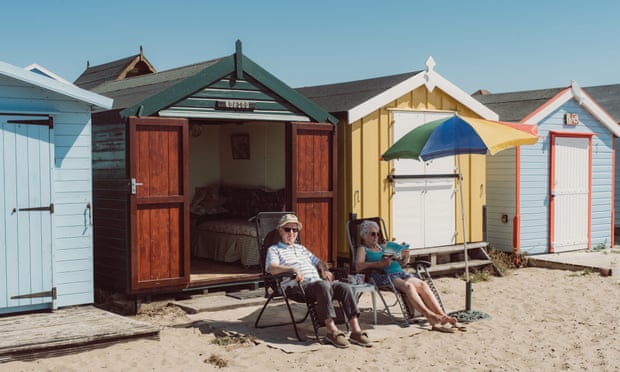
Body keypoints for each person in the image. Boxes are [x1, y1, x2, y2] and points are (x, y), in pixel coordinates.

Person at [266, 214, 372, 348]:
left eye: (295, 230)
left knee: (345, 287)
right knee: (323, 286)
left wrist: (323, 270)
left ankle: (356, 331)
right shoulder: (274, 250)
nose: (292, 233)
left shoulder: (302, 249)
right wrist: (293, 269)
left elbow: (319, 262)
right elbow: (272, 268)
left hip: (316, 283)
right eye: (288, 229)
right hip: (296, 286)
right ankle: (332, 331)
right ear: (280, 230)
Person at [354, 220, 464, 333]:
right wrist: (379, 264)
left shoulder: (385, 246)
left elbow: (403, 263)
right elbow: (358, 266)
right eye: (373, 234)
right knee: (408, 287)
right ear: (364, 235)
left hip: (400, 273)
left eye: (378, 234)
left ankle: (442, 315)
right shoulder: (363, 249)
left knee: (423, 284)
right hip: (384, 275)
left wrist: (406, 256)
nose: (376, 236)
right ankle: (429, 315)